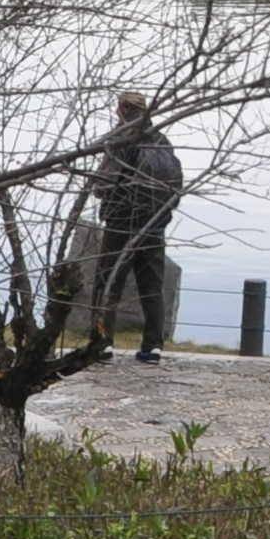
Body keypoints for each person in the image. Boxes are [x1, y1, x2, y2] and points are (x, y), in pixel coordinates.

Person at [79, 92, 183, 363]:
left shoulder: (121, 139)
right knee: (152, 286)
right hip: (154, 225)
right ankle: (153, 347)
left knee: (108, 282)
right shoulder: (162, 140)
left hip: (121, 223)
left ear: (123, 109)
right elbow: (176, 184)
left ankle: (102, 344)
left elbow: (103, 184)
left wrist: (102, 192)